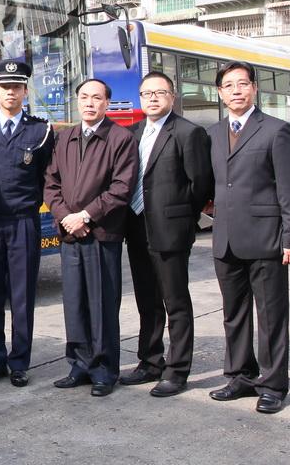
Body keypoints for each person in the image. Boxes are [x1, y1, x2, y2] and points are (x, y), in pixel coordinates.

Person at [206, 60, 290, 414]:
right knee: (234, 314)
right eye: (229, 86)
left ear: (254, 89)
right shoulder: (213, 134)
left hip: (266, 239)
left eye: (243, 84)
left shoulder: (276, 130)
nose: (236, 91)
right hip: (225, 239)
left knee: (272, 316)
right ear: (220, 93)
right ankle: (240, 377)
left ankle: (273, 385)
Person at [119, 72, 212, 397]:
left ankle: (177, 370)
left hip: (171, 230)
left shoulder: (189, 132)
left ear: (172, 97)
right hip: (136, 228)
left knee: (176, 303)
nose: (153, 98)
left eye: (160, 93)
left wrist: (182, 217)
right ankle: (150, 361)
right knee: (147, 301)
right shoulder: (132, 133)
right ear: (140, 99)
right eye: (147, 93)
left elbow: (201, 184)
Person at [43, 79, 138, 397]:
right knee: (74, 303)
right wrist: (66, 218)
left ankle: (104, 370)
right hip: (71, 235)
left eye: (96, 98)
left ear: (107, 103)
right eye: (84, 97)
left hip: (101, 234)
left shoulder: (121, 138)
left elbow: (121, 188)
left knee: (102, 304)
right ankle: (79, 365)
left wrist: (85, 216)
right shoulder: (65, 137)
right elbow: (51, 183)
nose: (89, 103)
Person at [0, 59, 53, 388]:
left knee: (22, 296)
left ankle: (19, 362)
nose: (11, 92)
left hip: (23, 222)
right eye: (5, 87)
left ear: (25, 92)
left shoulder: (40, 131)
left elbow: (47, 178)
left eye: (16, 87)